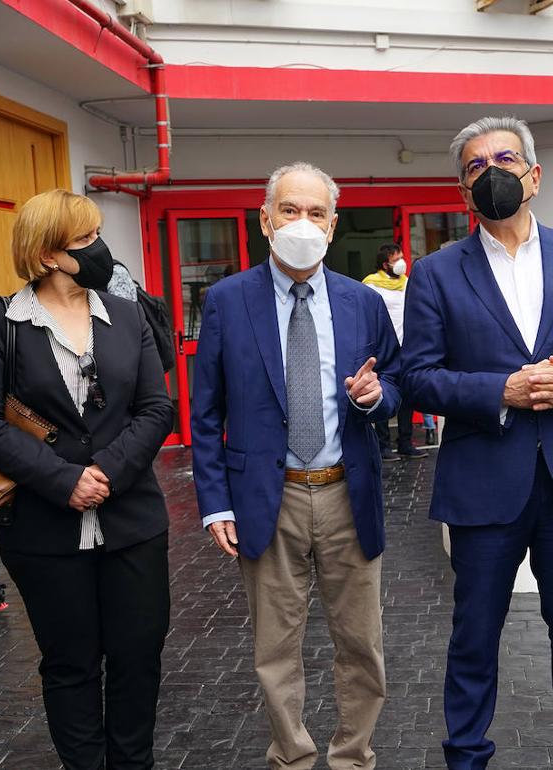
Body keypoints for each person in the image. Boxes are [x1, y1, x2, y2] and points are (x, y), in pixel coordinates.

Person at [402, 117, 553, 770]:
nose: (492, 173)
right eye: (475, 166)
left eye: (504, 160)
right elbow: (417, 377)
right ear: (463, 191)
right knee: (473, 638)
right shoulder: (436, 273)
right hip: (483, 486)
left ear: (534, 176)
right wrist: (500, 391)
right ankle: (466, 757)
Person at [191, 162, 401, 770]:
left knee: (362, 644)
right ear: (265, 220)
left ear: (333, 225)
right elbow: (205, 412)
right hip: (266, 496)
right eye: (290, 210)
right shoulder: (228, 300)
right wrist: (215, 502)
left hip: (346, 495)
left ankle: (353, 756)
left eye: (315, 213)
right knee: (274, 649)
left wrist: (377, 396)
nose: (302, 223)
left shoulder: (364, 302)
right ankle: (292, 757)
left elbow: (398, 381)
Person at [0, 190, 173, 769]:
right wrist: (62, 481)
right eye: (85, 239)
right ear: (48, 254)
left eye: (97, 234)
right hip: (44, 530)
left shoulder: (127, 315)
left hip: (133, 524)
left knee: (137, 659)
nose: (100, 247)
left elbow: (157, 408)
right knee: (70, 664)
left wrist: (107, 471)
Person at [362, 242, 426, 461]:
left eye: (401, 257)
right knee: (382, 394)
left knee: (407, 396)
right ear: (384, 264)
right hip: (383, 348)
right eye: (395, 259)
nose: (401, 263)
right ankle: (383, 446)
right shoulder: (371, 285)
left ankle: (405, 442)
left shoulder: (407, 283)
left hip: (406, 347)